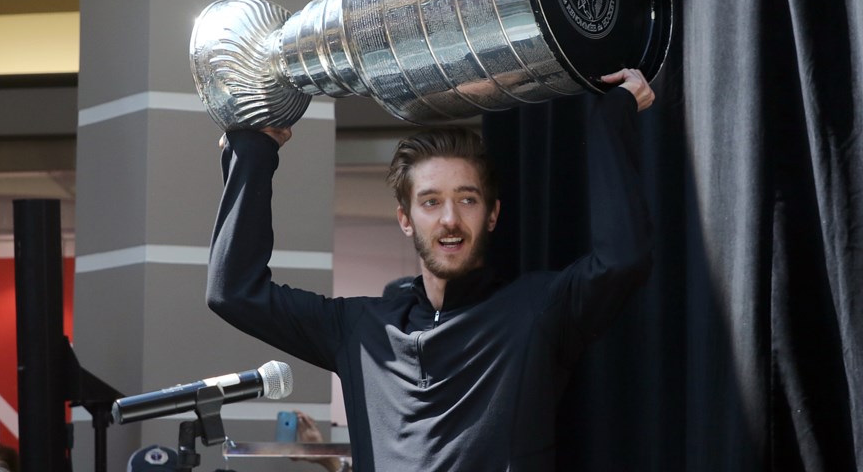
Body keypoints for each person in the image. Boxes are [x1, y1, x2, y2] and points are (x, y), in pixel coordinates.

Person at [207, 69, 655, 471]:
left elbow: (622, 259)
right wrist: (254, 152)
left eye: (466, 199)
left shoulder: (536, 311)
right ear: (405, 219)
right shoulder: (359, 329)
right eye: (430, 201)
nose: (449, 219)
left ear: (492, 215)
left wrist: (609, 119)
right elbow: (234, 292)